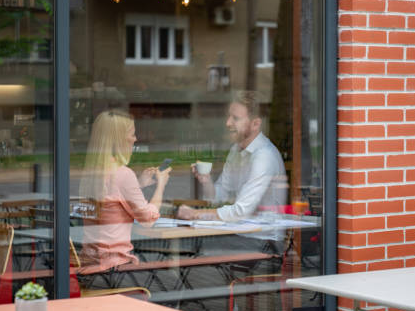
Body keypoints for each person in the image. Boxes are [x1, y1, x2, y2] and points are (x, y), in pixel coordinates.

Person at [177, 90, 287, 247]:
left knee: (189, 244)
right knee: (189, 242)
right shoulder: (236, 150)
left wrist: (195, 214)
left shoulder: (264, 156)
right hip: (240, 234)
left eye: (235, 118)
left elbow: (241, 211)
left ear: (255, 124)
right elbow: (220, 197)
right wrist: (206, 181)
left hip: (263, 241)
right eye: (229, 117)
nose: (228, 123)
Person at [77, 109, 171, 276]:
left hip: (88, 261)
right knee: (172, 267)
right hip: (114, 264)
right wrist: (161, 185)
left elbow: (112, 201)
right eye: (132, 134)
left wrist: (139, 185)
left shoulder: (92, 174)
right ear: (119, 139)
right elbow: (148, 220)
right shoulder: (123, 174)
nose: (135, 139)